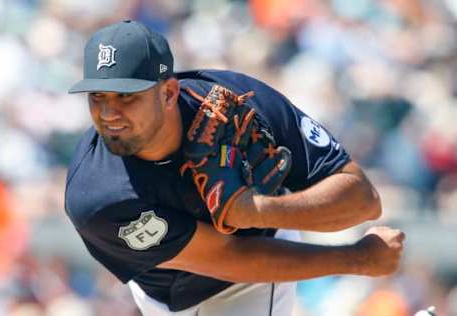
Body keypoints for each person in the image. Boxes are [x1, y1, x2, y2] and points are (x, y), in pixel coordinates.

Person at [65, 20, 405, 316]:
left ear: (168, 92)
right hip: (163, 288)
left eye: (126, 96)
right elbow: (228, 255)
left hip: (251, 277)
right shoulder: (96, 195)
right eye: (98, 96)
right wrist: (356, 259)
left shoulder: (239, 102)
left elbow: (363, 200)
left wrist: (256, 212)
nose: (108, 114)